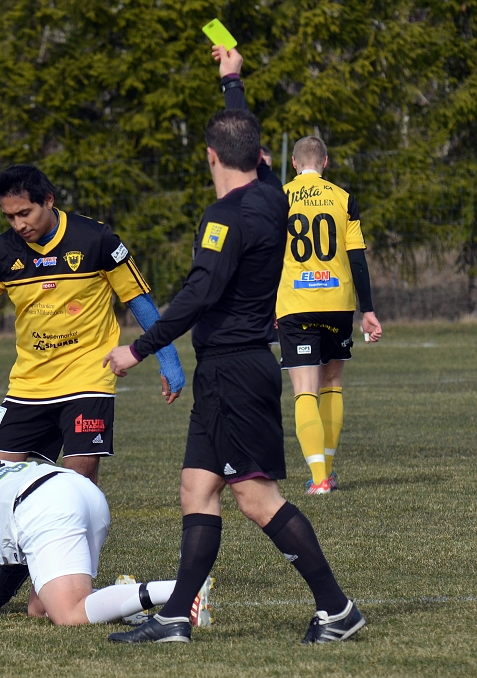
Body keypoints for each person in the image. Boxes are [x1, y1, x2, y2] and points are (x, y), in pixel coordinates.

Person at [102, 47, 365, 645]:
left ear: (209, 156)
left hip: (235, 369)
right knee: (197, 489)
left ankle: (338, 609)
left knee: (255, 496)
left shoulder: (226, 217)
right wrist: (231, 81)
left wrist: (137, 351)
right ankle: (174, 618)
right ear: (262, 157)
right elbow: (248, 139)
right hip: (232, 368)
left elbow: (198, 294)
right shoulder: (274, 194)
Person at [0, 165, 185, 609]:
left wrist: (169, 359)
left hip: (88, 379)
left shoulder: (96, 240)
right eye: (9, 217)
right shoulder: (2, 254)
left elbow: (138, 301)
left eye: (24, 212)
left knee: (76, 481)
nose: (19, 224)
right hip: (28, 385)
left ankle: (63, 580)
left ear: (48, 200)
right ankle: (22, 586)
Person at [0, 447, 180, 626]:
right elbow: (18, 547)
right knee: (39, 610)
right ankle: (127, 599)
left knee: (68, 615)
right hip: (82, 491)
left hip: (48, 506)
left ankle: (178, 592)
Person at [278, 136, 382, 495]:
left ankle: (319, 479)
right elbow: (357, 258)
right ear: (325, 162)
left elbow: (266, 256)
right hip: (338, 302)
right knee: (332, 383)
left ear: (294, 163)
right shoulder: (343, 198)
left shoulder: (280, 198)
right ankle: (329, 471)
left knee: (304, 391)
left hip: (295, 304)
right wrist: (367, 311)